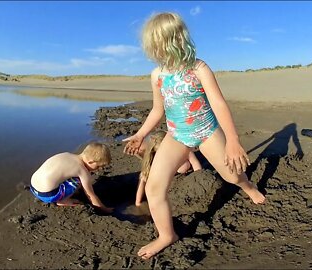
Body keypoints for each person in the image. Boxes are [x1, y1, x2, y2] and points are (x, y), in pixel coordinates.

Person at [123, 12, 266, 259]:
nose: (156, 49)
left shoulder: (198, 68)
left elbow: (219, 104)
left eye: (160, 42)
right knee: (154, 188)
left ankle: (248, 186)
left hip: (207, 132)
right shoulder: (157, 75)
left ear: (176, 39)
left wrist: (232, 141)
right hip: (177, 135)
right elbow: (158, 109)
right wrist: (140, 134)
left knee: (232, 175)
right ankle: (167, 235)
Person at [30, 142, 113, 213]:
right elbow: (90, 195)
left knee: (65, 175)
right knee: (78, 180)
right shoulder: (82, 170)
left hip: (33, 187)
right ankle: (63, 201)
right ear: (90, 161)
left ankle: (64, 193)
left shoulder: (67, 154)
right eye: (98, 166)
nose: (99, 169)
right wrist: (104, 209)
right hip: (47, 195)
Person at [134, 131, 202, 207]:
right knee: (145, 175)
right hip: (167, 189)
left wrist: (198, 180)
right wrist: (138, 203)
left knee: (183, 166)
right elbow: (143, 178)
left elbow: (195, 163)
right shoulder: (153, 160)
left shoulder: (181, 148)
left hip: (184, 181)